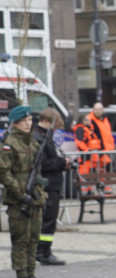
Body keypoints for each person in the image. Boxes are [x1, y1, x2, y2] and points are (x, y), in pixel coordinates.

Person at [0, 105, 49, 278]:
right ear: (16, 122)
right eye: (24, 121)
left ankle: (31, 274)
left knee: (34, 237)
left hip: (35, 197)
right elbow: (4, 173)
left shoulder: (32, 142)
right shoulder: (9, 143)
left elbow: (36, 170)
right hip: (18, 199)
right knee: (21, 239)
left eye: (30, 120)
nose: (29, 123)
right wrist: (21, 195)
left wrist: (39, 192)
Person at [32, 108, 70, 266]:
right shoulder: (38, 138)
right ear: (46, 121)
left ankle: (45, 251)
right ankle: (43, 252)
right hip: (47, 185)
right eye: (54, 126)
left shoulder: (43, 136)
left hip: (52, 183)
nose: (55, 130)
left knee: (49, 221)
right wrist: (62, 163)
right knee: (47, 221)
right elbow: (42, 164)